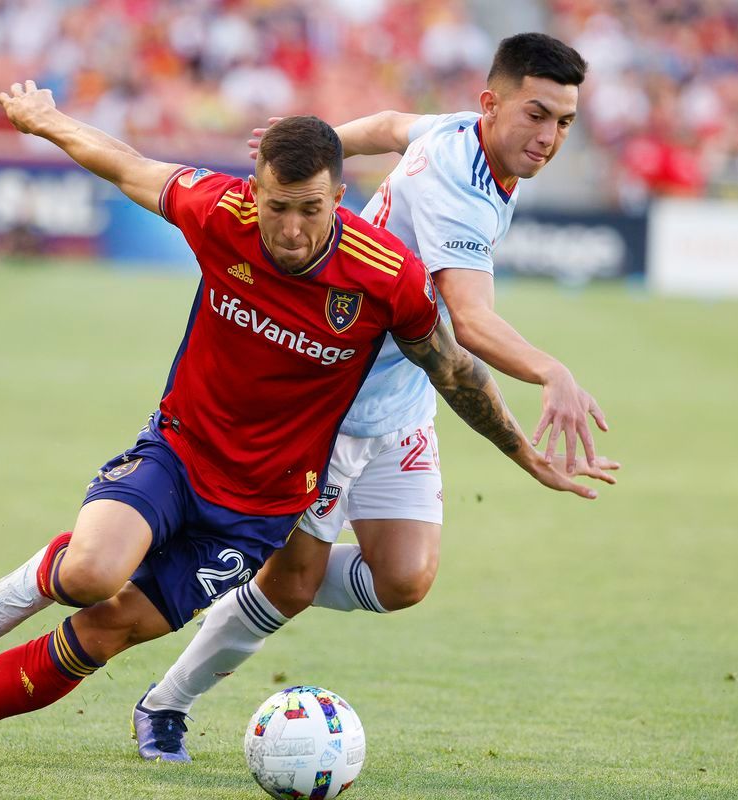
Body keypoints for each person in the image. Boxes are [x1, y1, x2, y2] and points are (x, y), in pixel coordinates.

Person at [0, 79, 614, 762]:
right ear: (255, 190)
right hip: (181, 451)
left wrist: (526, 455)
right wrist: (47, 120)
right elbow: (127, 164)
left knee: (109, 630)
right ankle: (41, 573)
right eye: (276, 208)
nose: (289, 230)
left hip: (257, 510)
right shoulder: (219, 212)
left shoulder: (388, 278)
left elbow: (452, 370)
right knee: (87, 576)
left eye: (310, 211)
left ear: (338, 199)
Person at [125, 33, 611, 763]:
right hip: (330, 404)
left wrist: (325, 146)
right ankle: (165, 704)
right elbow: (471, 321)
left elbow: (387, 126)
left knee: (405, 578)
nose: (549, 137)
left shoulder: (461, 132)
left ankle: (257, 560)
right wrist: (552, 371)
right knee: (290, 588)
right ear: (493, 102)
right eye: (537, 114)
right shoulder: (462, 190)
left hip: (401, 398)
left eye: (565, 122)